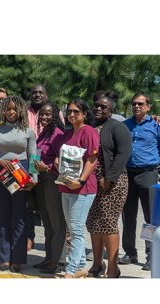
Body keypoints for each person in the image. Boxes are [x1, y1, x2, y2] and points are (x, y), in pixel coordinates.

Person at [0, 95, 36, 273]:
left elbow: (33, 157)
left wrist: (34, 178)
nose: (11, 112)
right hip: (3, 173)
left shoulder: (28, 132)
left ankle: (18, 258)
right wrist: (0, 161)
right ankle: (5, 258)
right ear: (3, 111)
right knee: (4, 217)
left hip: (21, 173)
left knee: (20, 217)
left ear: (21, 111)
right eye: (8, 109)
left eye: (15, 109)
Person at [86, 95, 132, 278]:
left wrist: (109, 178)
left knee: (108, 223)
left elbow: (123, 153)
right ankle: (98, 264)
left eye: (103, 107)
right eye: (96, 106)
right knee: (94, 222)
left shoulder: (118, 127)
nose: (98, 109)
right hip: (92, 182)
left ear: (111, 110)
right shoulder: (90, 126)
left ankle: (113, 268)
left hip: (113, 183)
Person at [120, 93, 160, 271]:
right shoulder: (125, 125)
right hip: (128, 174)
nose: (137, 106)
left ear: (148, 106)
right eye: (134, 103)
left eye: (140, 103)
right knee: (128, 215)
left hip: (147, 174)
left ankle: (151, 254)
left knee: (150, 217)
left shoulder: (157, 125)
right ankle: (130, 253)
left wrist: (152, 163)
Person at [54, 98, 99, 278]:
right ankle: (81, 266)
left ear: (84, 114)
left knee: (77, 229)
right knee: (72, 229)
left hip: (83, 188)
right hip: (66, 186)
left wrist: (80, 181)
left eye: (76, 112)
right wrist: (58, 164)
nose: (72, 115)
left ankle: (71, 270)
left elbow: (92, 159)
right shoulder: (67, 133)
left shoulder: (88, 131)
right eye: (70, 111)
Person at [33, 102, 67, 274]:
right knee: (47, 223)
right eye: (42, 114)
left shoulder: (57, 135)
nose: (44, 117)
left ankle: (57, 262)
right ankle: (48, 259)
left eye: (48, 114)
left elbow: (63, 164)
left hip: (52, 181)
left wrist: (47, 168)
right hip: (41, 181)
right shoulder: (44, 133)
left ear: (55, 116)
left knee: (56, 223)